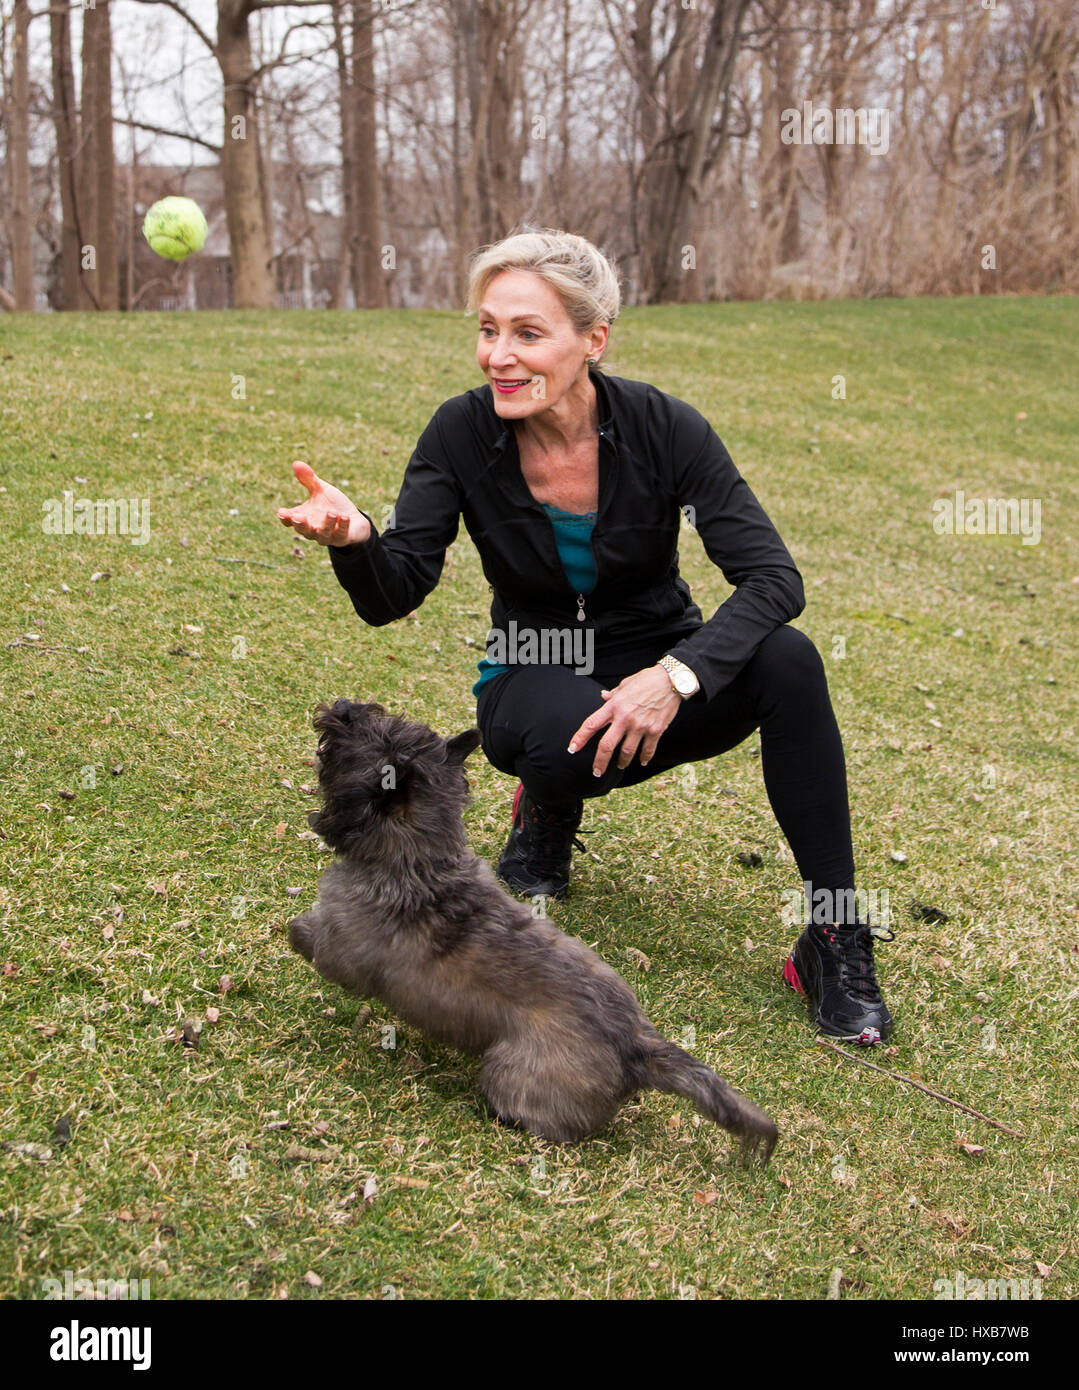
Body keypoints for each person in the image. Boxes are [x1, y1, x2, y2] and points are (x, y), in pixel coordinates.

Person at [277, 227, 893, 1046]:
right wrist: (356, 539)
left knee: (788, 659)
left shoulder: (665, 427)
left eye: (527, 334)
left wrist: (675, 675)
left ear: (591, 340)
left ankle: (833, 937)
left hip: (657, 654)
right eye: (488, 329)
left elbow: (773, 580)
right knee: (565, 745)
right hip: (533, 670)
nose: (498, 354)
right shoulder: (459, 434)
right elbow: (395, 595)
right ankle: (545, 813)